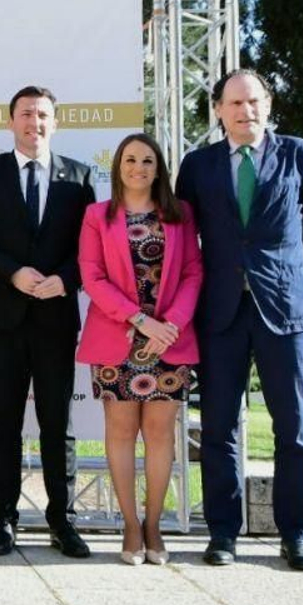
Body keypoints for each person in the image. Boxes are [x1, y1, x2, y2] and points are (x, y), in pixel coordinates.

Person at [176, 69, 303, 571]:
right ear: (219, 110)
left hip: (286, 312)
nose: (246, 111)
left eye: (255, 101)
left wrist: (292, 278)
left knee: (294, 429)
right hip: (221, 311)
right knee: (218, 426)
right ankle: (223, 532)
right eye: (235, 103)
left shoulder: (299, 154)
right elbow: (185, 234)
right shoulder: (198, 164)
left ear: (268, 104)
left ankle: (296, 535)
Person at [0, 85, 96, 558]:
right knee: (5, 420)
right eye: (25, 114)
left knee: (57, 422)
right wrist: (12, 272)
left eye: (42, 115)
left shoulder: (79, 177)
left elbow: (91, 247)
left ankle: (63, 520)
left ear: (54, 122)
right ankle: (3, 520)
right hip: (2, 314)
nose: (33, 122)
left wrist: (66, 279)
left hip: (57, 314)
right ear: (10, 121)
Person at [76, 132, 202, 565]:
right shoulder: (97, 215)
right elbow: (92, 276)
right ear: (118, 167)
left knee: (161, 435)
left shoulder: (180, 213)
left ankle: (155, 526)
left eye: (147, 161)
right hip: (118, 337)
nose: (138, 168)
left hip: (169, 339)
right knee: (121, 433)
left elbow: (192, 272)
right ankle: (130, 527)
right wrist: (138, 319)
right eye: (130, 160)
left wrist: (170, 325)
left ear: (158, 168)